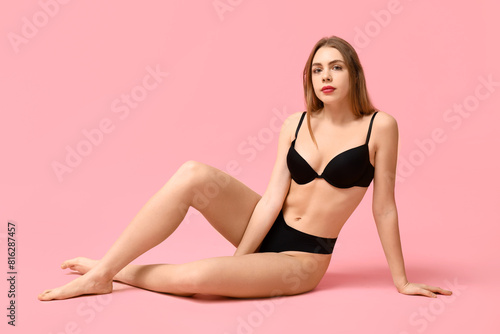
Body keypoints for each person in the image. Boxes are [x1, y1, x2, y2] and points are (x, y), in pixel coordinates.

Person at [38, 35, 452, 301]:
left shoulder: (381, 127)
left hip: (301, 258)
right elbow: (273, 196)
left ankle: (107, 269)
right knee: (192, 173)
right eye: (317, 68)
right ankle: (103, 272)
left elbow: (384, 207)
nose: (325, 76)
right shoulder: (295, 123)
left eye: (336, 67)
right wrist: (241, 258)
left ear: (354, 73)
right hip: (265, 225)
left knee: (197, 282)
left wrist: (401, 281)